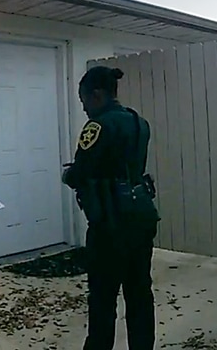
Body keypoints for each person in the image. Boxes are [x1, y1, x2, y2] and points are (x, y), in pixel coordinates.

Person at [62, 66, 160, 350]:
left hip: (111, 223)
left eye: (84, 101)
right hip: (141, 215)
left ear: (96, 95)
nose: (84, 108)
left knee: (103, 297)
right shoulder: (139, 122)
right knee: (140, 292)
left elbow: (82, 171)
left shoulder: (98, 126)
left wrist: (68, 175)